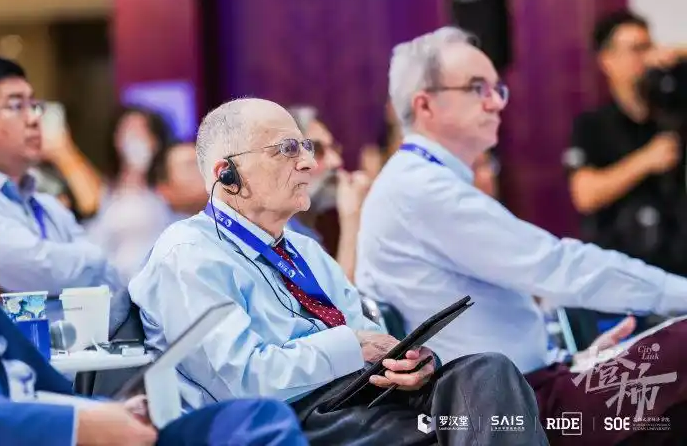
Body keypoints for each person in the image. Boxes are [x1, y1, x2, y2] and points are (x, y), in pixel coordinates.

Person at [129, 97, 548, 446]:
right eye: (287, 149)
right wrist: (353, 347)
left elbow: (367, 336)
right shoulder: (189, 254)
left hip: (360, 397)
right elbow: (239, 380)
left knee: (488, 372)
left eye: (305, 148)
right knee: (464, 425)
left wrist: (406, 363)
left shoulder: (304, 250)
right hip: (288, 418)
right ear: (228, 174)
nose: (309, 164)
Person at [355, 26, 687, 445]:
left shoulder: (420, 182)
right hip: (520, 413)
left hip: (535, 387)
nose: (496, 102)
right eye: (477, 89)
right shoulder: (421, 190)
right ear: (425, 104)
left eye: (497, 89)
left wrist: (578, 359)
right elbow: (561, 268)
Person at [0, 254, 307, 446]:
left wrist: (100, 410)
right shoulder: (187, 248)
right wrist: (76, 424)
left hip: (47, 414)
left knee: (258, 419)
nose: (308, 163)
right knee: (260, 427)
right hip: (28, 432)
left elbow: (17, 380)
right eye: (284, 153)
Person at [0, 55, 129, 332]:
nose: (34, 118)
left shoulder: (44, 203)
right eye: (16, 106)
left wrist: (71, 268)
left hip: (78, 352)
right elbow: (35, 268)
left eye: (34, 105)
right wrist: (95, 257)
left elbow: (110, 285)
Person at [566, 10, 687, 278]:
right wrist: (646, 161)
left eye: (649, 47)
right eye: (636, 50)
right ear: (607, 60)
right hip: (623, 268)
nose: (646, 58)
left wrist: (677, 53)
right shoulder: (592, 125)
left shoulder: (673, 112)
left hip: (677, 266)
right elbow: (585, 195)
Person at [86, 106, 176, 284]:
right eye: (127, 131)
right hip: (112, 283)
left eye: (141, 131)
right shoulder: (102, 189)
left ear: (156, 141)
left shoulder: (167, 188)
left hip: (157, 281)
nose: (133, 138)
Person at [287, 106, 371, 281]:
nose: (336, 161)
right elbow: (339, 297)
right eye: (317, 150)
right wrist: (351, 218)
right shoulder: (279, 234)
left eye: (333, 149)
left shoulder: (304, 229)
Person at [150, 141, 210, 222]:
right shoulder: (154, 226)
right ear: (164, 189)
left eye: (204, 162)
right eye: (191, 165)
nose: (204, 170)